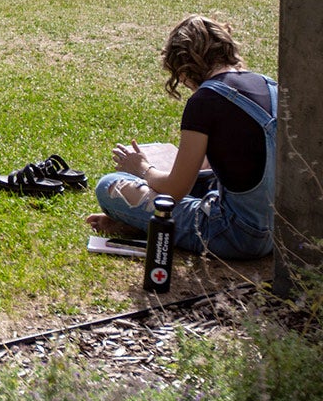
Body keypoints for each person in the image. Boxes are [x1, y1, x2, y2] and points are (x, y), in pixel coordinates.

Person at [86, 14, 277, 260]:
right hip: (280, 230)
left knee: (111, 186)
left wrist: (142, 168)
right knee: (198, 180)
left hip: (236, 236)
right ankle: (143, 222)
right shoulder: (270, 85)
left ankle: (141, 222)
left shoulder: (205, 100)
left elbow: (175, 190)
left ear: (184, 65)